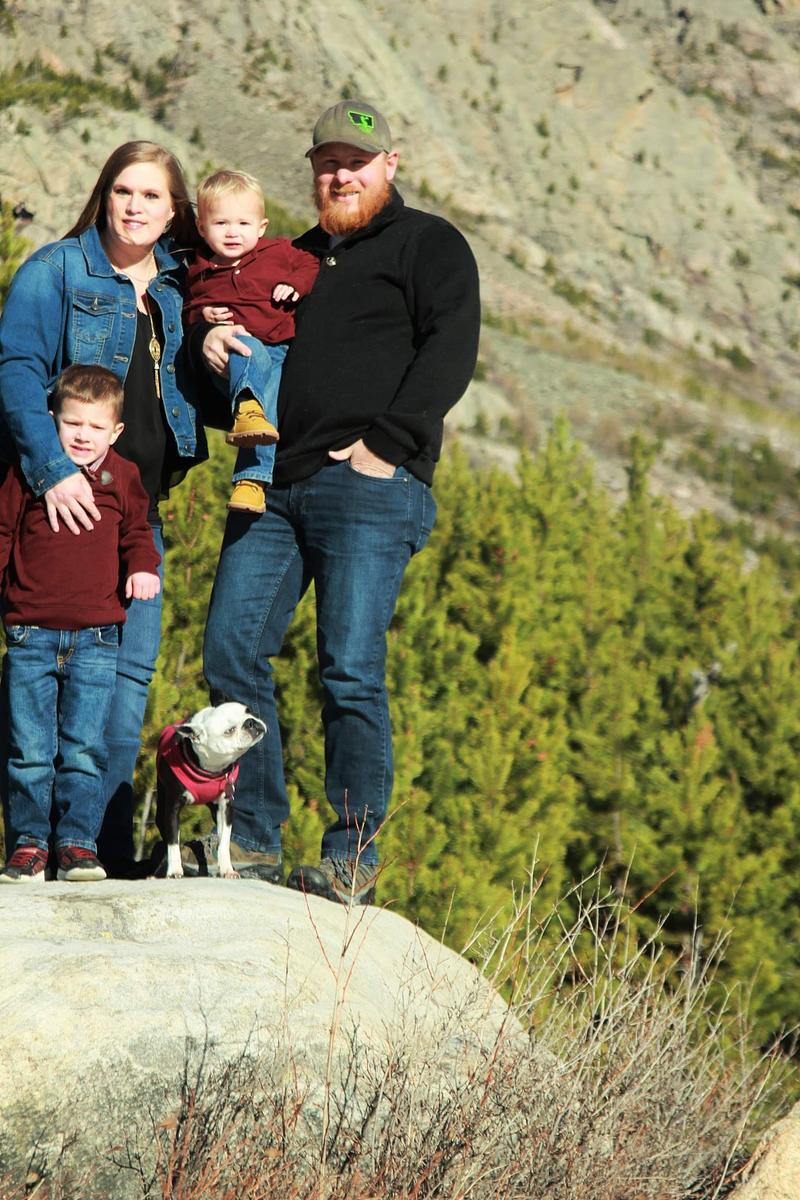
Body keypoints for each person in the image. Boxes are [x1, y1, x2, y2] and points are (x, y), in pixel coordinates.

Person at [193, 100, 481, 904]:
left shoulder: (429, 243)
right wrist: (210, 347)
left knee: (349, 669)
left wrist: (384, 447)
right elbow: (241, 371)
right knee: (231, 653)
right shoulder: (290, 258)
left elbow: (451, 348)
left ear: (391, 163)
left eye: (356, 162)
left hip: (368, 485)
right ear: (313, 171)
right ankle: (254, 839)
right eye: (328, 164)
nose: (341, 176)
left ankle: (350, 857)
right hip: (272, 485)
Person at [0, 140, 205, 875]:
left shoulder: (181, 287)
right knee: (38, 699)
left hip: (136, 518)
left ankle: (98, 853)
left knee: (122, 692)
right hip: (61, 509)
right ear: (103, 194)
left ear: (174, 210)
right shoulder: (57, 269)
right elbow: (16, 369)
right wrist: (54, 470)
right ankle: (32, 844)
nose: (134, 206)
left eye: (152, 195)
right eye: (123, 190)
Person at [0, 365, 160, 883]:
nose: (83, 436)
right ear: (52, 419)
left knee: (84, 750)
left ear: (116, 431)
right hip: (30, 633)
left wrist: (143, 567)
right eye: (72, 424)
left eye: (95, 427)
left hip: (96, 639)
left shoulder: (125, 476)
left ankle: (76, 846)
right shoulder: (27, 472)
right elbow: (3, 532)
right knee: (29, 751)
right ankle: (29, 846)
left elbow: (138, 532)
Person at [184, 169, 319, 513]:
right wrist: (203, 315)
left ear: (261, 227)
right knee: (245, 346)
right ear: (202, 227)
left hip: (279, 348)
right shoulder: (199, 270)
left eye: (243, 224)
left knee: (266, 414)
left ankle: (251, 482)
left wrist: (295, 284)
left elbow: (309, 263)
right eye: (221, 223)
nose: (233, 232)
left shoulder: (278, 252)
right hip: (237, 353)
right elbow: (187, 310)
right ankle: (247, 408)